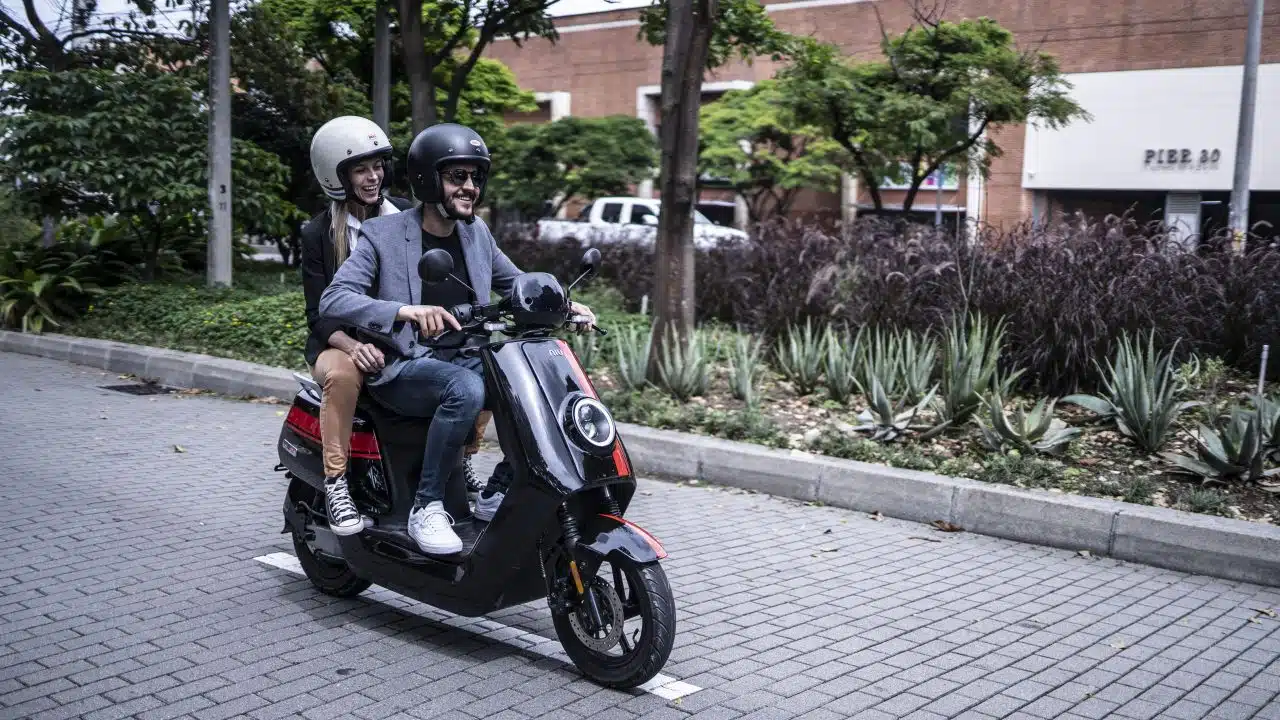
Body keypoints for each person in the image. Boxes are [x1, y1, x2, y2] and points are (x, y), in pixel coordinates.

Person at [318, 122, 596, 555]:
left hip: (459, 355)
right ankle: (425, 508)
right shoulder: (383, 235)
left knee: (538, 387)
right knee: (465, 388)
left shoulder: (476, 233)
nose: (470, 187)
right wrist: (403, 311)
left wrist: (564, 302)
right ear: (429, 179)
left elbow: (516, 282)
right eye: (457, 177)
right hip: (402, 365)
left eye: (475, 177)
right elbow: (334, 299)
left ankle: (497, 489)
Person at [301, 116, 413, 536]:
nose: (374, 177)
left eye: (378, 166)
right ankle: (336, 483)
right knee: (345, 375)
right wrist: (350, 346)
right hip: (338, 342)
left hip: (397, 336)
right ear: (338, 175)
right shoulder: (319, 235)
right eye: (361, 169)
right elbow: (319, 315)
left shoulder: (404, 215)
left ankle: (459, 466)